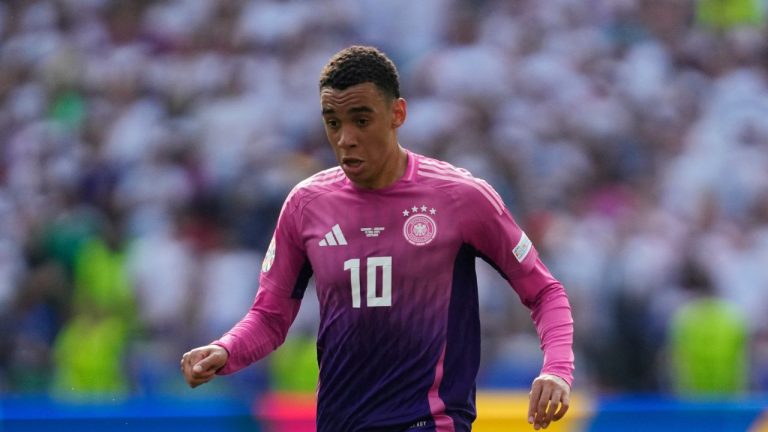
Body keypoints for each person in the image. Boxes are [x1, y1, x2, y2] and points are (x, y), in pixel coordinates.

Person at [181, 45, 574, 431]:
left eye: (361, 120)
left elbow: (544, 291)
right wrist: (226, 349)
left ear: (396, 114)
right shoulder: (306, 205)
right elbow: (269, 317)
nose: (345, 138)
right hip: (340, 422)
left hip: (429, 420)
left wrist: (557, 369)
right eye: (333, 122)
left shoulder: (460, 197)